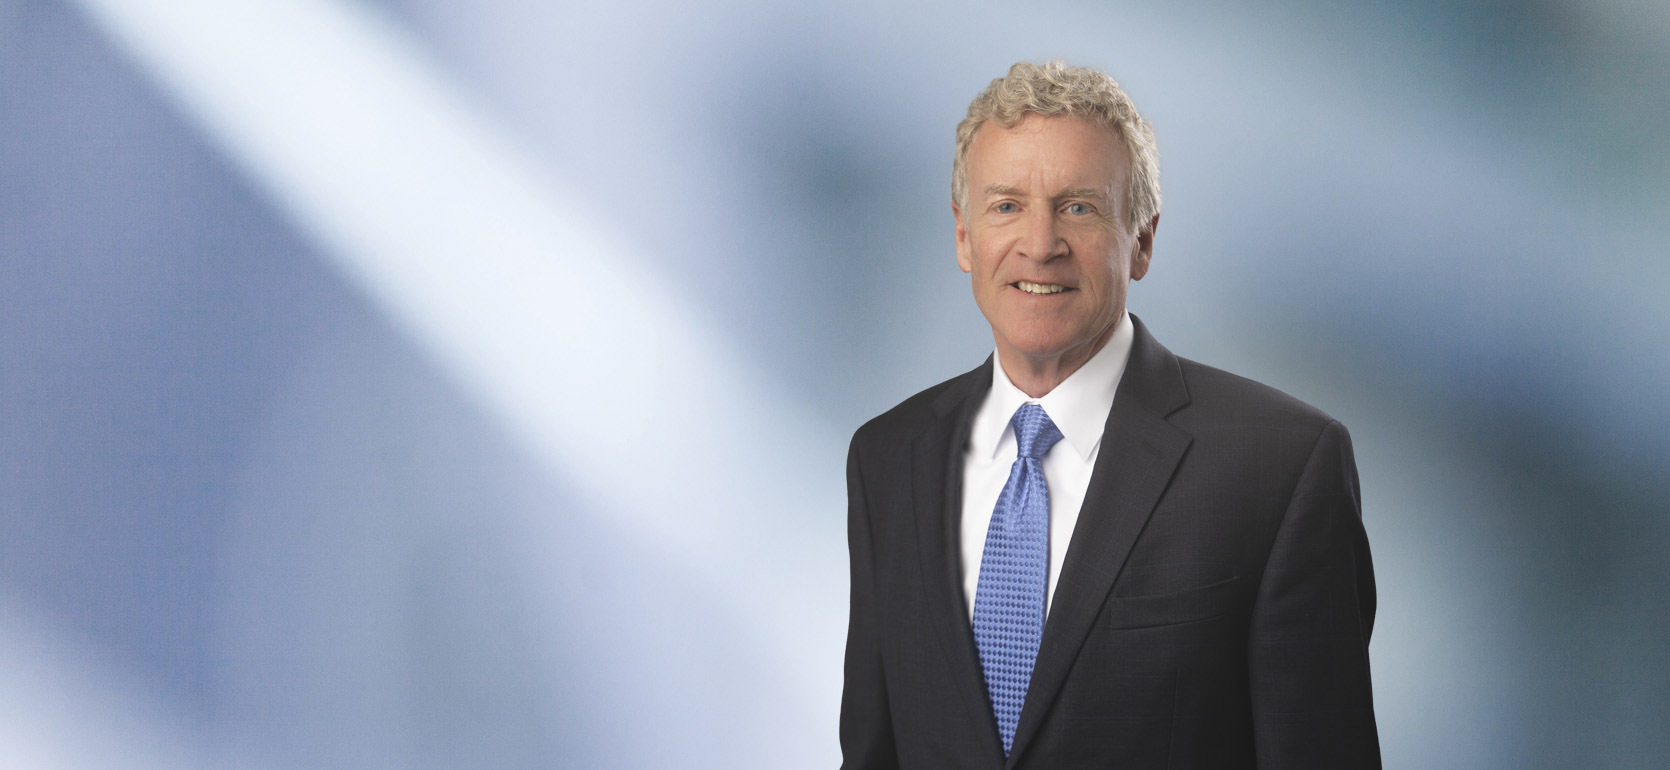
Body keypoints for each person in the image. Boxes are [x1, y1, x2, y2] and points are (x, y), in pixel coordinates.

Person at [839, 61, 1381, 768]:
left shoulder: (1281, 469)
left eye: (1078, 208)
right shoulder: (887, 458)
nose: (1041, 244)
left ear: (1143, 240)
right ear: (964, 236)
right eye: (1006, 206)